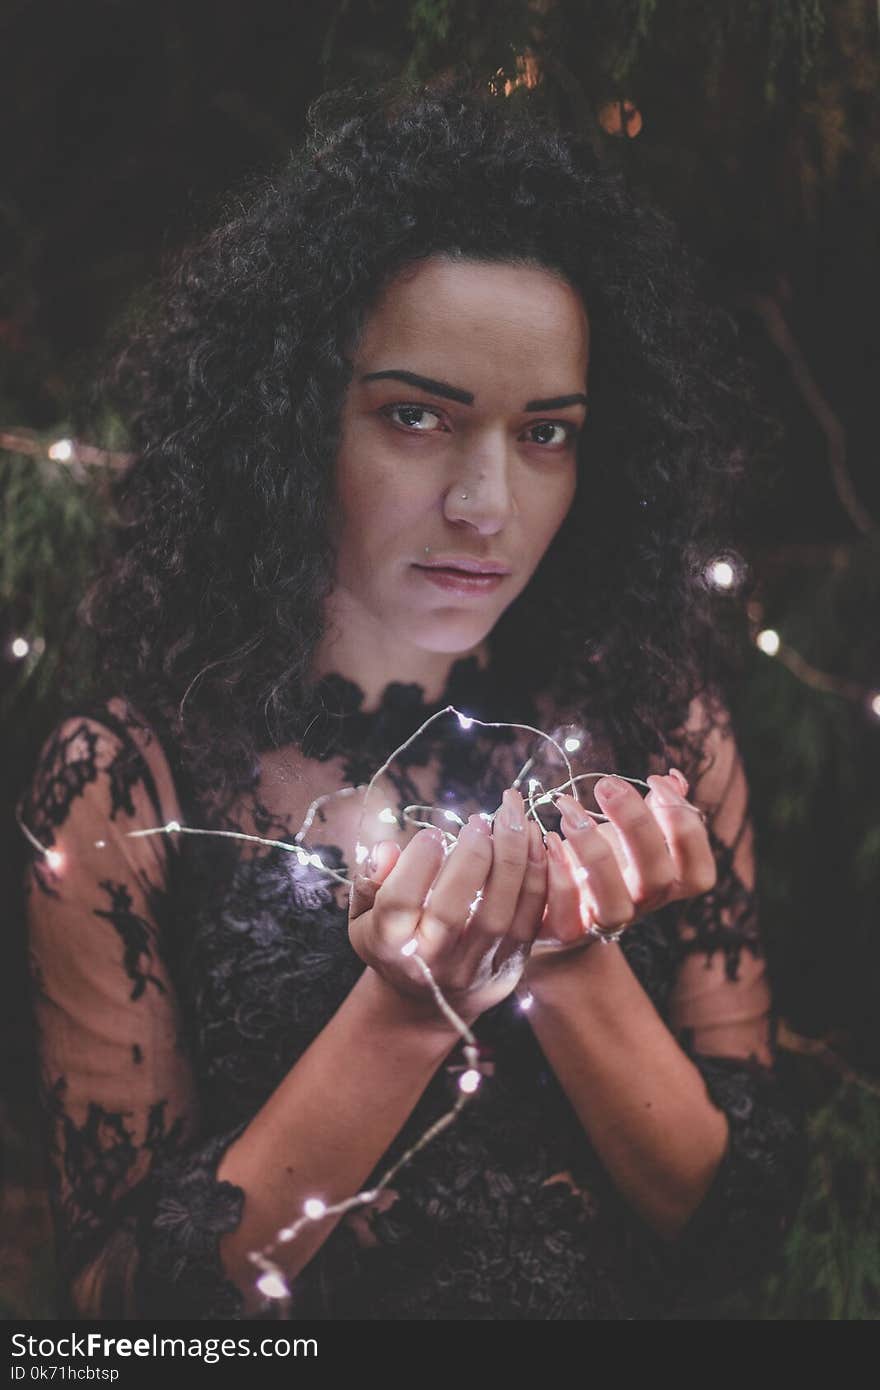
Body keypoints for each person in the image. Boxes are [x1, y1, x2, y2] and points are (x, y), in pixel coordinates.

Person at [19, 77, 806, 1321]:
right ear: (285, 422)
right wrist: (402, 1011)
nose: (486, 504)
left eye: (546, 433)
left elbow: (733, 1242)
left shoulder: (665, 729)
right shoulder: (124, 785)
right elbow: (123, 1319)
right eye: (415, 417)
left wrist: (573, 955)